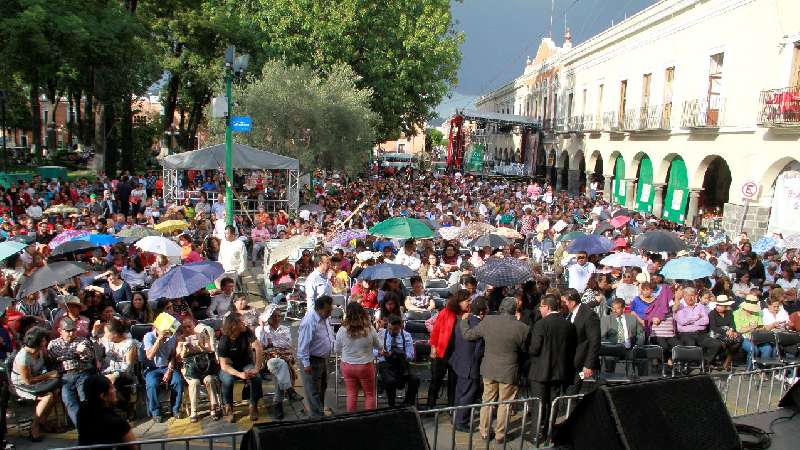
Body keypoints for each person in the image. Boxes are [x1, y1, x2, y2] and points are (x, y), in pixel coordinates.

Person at [460, 297, 530, 444]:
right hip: (509, 370)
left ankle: (484, 431)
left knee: (487, 400)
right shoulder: (523, 328)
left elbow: (468, 335)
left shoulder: (488, 321)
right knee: (505, 403)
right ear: (514, 310)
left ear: (500, 308)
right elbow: (526, 351)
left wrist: (464, 321)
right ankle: (500, 435)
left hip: (489, 368)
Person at [528, 294, 577, 432]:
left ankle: (536, 433)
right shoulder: (568, 325)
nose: (539, 309)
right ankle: (549, 430)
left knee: (539, 403)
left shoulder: (541, 324)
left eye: (541, 306)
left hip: (539, 371)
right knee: (553, 402)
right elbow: (571, 348)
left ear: (548, 307)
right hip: (558, 371)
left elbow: (535, 348)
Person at [11, 327, 60, 441]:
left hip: (38, 379)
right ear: (36, 342)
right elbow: (27, 380)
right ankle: (34, 426)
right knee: (47, 397)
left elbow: (44, 366)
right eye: (43, 340)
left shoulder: (40, 351)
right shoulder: (23, 357)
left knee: (56, 391)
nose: (45, 342)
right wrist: (48, 376)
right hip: (22, 385)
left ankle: (42, 420)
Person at [255, 304, 303, 420]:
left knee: (280, 369)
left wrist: (273, 342)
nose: (277, 318)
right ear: (268, 318)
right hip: (268, 360)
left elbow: (287, 344)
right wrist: (262, 328)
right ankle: (290, 391)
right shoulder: (261, 329)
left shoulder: (285, 329)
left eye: (278, 315)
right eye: (274, 316)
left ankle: (278, 403)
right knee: (280, 365)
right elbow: (262, 345)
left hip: (283, 358)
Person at [47, 317, 96, 427]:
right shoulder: (54, 343)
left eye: (73, 330)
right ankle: (81, 426)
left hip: (82, 373)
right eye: (68, 330)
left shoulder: (83, 340)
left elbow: (88, 357)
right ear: (60, 330)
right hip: (64, 376)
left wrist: (82, 353)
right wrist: (76, 351)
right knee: (69, 401)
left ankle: (89, 425)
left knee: (85, 399)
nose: (71, 333)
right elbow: (58, 356)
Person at [334, 302, 382, 412]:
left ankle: (351, 421)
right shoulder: (369, 329)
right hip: (365, 366)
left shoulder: (342, 330)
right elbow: (379, 346)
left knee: (351, 394)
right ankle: (369, 421)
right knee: (369, 395)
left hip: (347, 365)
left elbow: (336, 350)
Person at [217, 312, 264, 422]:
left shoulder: (246, 331)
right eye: (241, 321)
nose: (244, 323)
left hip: (245, 363)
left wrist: (256, 368)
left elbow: (258, 347)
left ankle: (253, 406)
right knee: (228, 380)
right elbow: (223, 365)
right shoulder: (224, 340)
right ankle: (228, 407)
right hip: (229, 367)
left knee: (256, 377)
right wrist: (240, 375)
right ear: (233, 325)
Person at [448, 297, 486, 431]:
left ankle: (456, 417)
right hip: (471, 366)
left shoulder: (462, 320)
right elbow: (479, 349)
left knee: (460, 392)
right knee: (468, 394)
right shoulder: (479, 325)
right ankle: (461, 421)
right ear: (482, 312)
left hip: (459, 362)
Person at [176, 316, 221, 422]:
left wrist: (200, 347)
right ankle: (194, 411)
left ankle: (213, 407)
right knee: (194, 383)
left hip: (204, 366)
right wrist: (184, 348)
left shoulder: (201, 335)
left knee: (209, 379)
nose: (187, 329)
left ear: (194, 326)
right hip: (190, 368)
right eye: (184, 327)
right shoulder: (181, 338)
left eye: (189, 326)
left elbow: (210, 350)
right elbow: (177, 357)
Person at [297, 295, 334, 417]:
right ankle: (316, 416)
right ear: (319, 309)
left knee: (322, 388)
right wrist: (306, 364)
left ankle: (319, 412)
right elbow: (303, 345)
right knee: (314, 391)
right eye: (328, 310)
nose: (330, 313)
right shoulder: (309, 321)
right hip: (312, 360)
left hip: (323, 359)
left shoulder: (324, 318)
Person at [77, 374, 136, 449]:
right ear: (103, 396)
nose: (115, 389)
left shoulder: (81, 413)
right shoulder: (117, 422)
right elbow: (134, 446)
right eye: (111, 388)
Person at [427, 289, 463, 409]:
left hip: (456, 352)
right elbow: (436, 331)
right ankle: (430, 406)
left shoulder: (465, 315)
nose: (469, 302)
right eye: (466, 300)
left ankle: (451, 406)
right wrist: (433, 348)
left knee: (454, 381)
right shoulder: (445, 312)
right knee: (436, 380)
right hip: (441, 350)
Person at [142, 324, 183, 422]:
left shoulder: (172, 336)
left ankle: (175, 409)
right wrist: (159, 339)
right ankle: (156, 412)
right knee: (152, 384)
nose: (167, 335)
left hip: (167, 366)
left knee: (178, 381)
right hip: (152, 368)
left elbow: (173, 354)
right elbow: (150, 356)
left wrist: (169, 369)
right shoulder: (148, 336)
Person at [562, 289, 600, 394]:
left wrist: (589, 365)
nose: (563, 305)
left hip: (582, 364)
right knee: (568, 389)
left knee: (574, 389)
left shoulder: (589, 315)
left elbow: (594, 342)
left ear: (572, 302)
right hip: (570, 362)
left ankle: (572, 409)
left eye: (565, 302)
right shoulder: (570, 313)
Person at [674, 287, 721, 367]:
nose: (690, 297)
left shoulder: (700, 307)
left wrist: (690, 322)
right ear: (684, 296)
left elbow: (706, 321)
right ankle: (690, 365)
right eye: (688, 295)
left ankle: (704, 362)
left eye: (692, 295)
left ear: (695, 296)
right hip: (686, 334)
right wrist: (696, 317)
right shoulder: (680, 307)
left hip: (701, 334)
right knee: (691, 344)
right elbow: (682, 321)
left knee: (716, 344)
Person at [599, 298, 644, 372]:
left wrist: (638, 345)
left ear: (623, 309)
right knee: (609, 356)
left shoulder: (632, 319)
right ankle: (610, 376)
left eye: (617, 308)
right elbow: (601, 336)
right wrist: (609, 344)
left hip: (629, 348)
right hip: (612, 348)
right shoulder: (606, 319)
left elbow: (640, 333)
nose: (614, 310)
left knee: (641, 354)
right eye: (613, 308)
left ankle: (641, 379)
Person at [734, 300, 771, 370]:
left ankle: (761, 369)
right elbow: (738, 329)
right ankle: (749, 370)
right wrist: (750, 327)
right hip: (743, 337)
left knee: (767, 347)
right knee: (753, 349)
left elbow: (762, 327)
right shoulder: (736, 313)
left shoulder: (757, 314)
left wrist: (756, 328)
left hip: (757, 336)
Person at [708, 296, 741, 371]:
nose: (718, 307)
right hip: (716, 333)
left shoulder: (729, 313)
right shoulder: (712, 313)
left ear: (726, 306)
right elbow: (713, 328)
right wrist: (726, 331)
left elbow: (732, 324)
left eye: (721, 306)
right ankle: (723, 361)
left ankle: (727, 361)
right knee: (729, 340)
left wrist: (732, 330)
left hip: (728, 332)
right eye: (718, 305)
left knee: (739, 338)